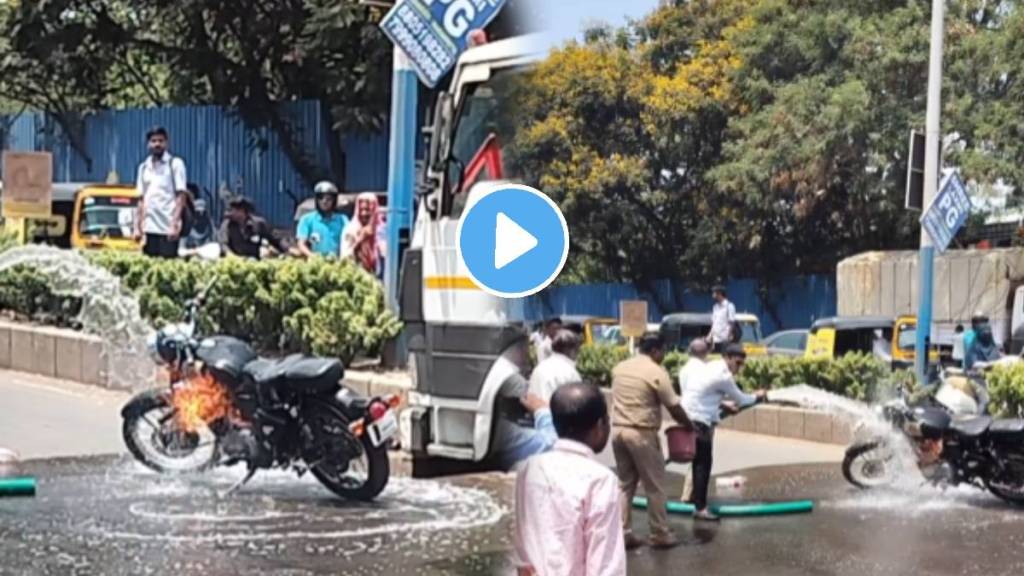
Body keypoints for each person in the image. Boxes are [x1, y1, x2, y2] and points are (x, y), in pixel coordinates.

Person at [514, 382, 626, 576]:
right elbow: (606, 565)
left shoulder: (527, 468)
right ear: (600, 425)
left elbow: (520, 543)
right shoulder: (599, 481)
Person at [611, 333, 693, 550]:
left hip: (618, 431)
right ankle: (660, 533)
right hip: (641, 433)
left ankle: (622, 531)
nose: (663, 356)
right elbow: (673, 405)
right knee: (654, 486)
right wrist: (689, 425)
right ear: (656, 351)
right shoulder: (655, 372)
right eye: (662, 352)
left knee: (625, 485)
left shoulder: (621, 368)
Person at [681, 344, 768, 521]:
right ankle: (700, 509)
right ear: (727, 358)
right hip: (700, 422)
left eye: (742, 364)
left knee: (699, 463)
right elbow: (742, 399)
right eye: (737, 363)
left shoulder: (711, 366)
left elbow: (703, 393)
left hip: (689, 417)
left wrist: (722, 404)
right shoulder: (723, 376)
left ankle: (696, 502)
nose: (739, 368)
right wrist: (758, 396)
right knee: (703, 465)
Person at [134, 126, 188, 258]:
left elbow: (181, 196)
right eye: (153, 141)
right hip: (149, 228)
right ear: (148, 144)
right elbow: (141, 199)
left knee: (168, 269)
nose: (157, 144)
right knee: (149, 269)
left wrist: (175, 223)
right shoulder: (143, 168)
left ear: (166, 143)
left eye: (160, 140)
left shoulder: (175, 164)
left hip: (167, 227)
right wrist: (137, 226)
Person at [219, 196, 288, 259]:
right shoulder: (227, 225)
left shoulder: (258, 224)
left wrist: (288, 249)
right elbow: (223, 244)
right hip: (235, 260)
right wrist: (233, 257)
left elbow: (276, 238)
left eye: (232, 210)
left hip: (256, 260)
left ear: (242, 211)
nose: (229, 213)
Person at [528, 329, 583, 402]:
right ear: (572, 350)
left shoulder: (539, 367)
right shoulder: (569, 372)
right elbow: (578, 402)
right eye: (578, 349)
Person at [296, 181, 348, 258]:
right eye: (321, 197)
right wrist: (313, 256)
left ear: (334, 200)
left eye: (329, 198)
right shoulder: (306, 220)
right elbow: (301, 244)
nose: (324, 201)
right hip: (315, 263)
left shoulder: (343, 219)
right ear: (316, 200)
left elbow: (350, 241)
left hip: (338, 263)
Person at [341, 192, 386, 278]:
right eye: (361, 210)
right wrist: (361, 239)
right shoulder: (351, 229)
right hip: (356, 278)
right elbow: (345, 257)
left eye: (368, 210)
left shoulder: (382, 229)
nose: (364, 214)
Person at [178, 184, 219, 259]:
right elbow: (180, 251)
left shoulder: (210, 227)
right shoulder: (185, 225)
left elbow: (216, 248)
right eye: (197, 213)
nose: (200, 216)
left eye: (202, 213)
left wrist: (198, 251)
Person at [706, 285, 736, 353]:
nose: (713, 295)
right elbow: (714, 323)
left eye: (714, 293)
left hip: (724, 339)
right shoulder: (715, 307)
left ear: (719, 294)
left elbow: (731, 323)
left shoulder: (729, 306)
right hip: (715, 338)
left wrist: (728, 337)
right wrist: (709, 336)